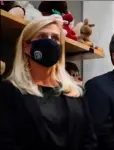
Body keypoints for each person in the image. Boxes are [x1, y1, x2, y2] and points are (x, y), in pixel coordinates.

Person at [0, 15, 97, 150]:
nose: (50, 42)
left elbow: (89, 141)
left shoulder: (75, 92)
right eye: (42, 36)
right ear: (26, 46)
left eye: (55, 38)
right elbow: (6, 142)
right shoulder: (9, 90)